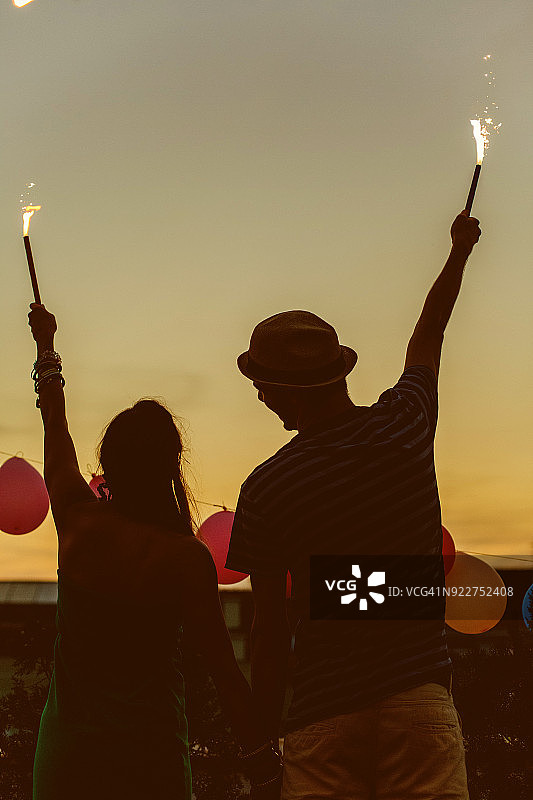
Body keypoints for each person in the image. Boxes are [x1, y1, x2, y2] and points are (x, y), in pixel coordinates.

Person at [225, 210, 481, 799]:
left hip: (322, 718)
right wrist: (459, 252)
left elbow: (267, 635)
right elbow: (428, 337)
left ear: (285, 391)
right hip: (421, 702)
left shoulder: (268, 486)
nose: (261, 396)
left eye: (262, 386)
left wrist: (263, 741)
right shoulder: (407, 423)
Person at [28, 306, 283, 800]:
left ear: (108, 463)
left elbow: (54, 423)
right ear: (172, 467)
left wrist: (45, 345)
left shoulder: (77, 522)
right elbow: (223, 671)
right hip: (148, 760)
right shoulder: (185, 559)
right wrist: (261, 759)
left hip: (67, 758)